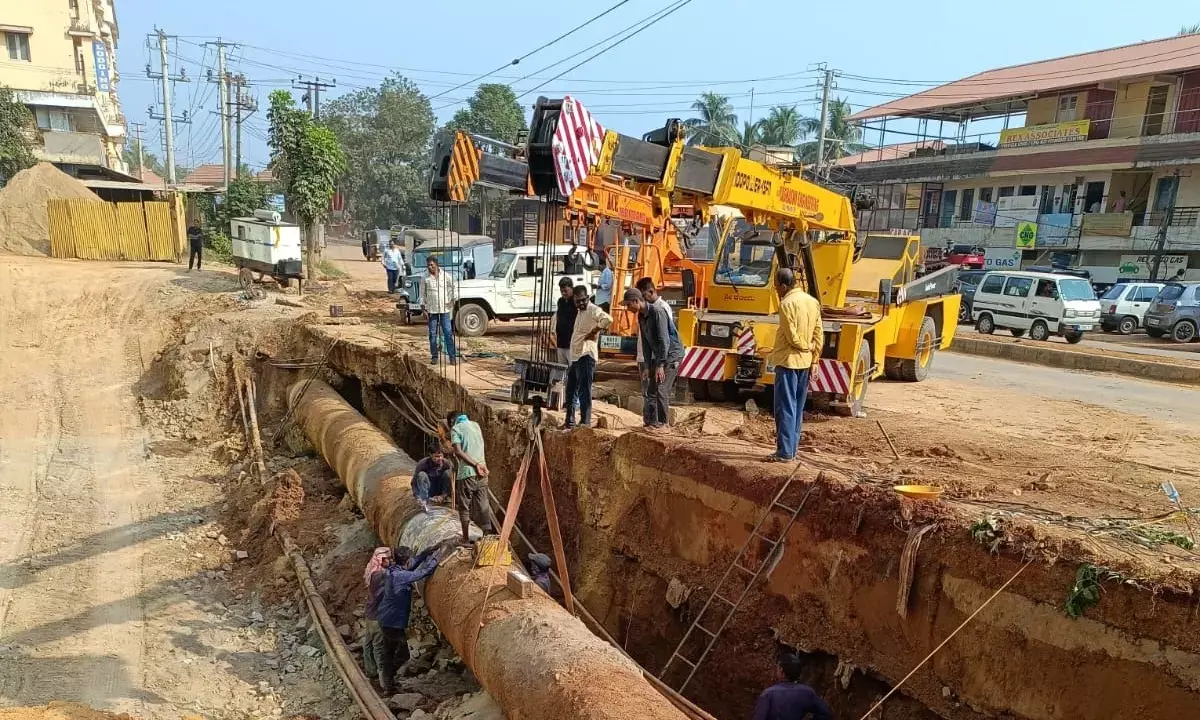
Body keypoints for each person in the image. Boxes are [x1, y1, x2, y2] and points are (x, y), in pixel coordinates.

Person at [768, 268, 823, 463]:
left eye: (776, 286)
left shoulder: (786, 304)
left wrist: (805, 346)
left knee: (785, 408)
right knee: (797, 408)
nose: (776, 290)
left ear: (783, 286)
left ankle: (784, 452)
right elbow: (819, 333)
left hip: (788, 362)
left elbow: (792, 337)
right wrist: (814, 358)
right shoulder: (812, 302)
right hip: (806, 363)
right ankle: (792, 450)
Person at [375, 545, 439, 694]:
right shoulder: (400, 576)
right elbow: (423, 572)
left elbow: (413, 563)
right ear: (406, 560)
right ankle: (387, 681)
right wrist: (437, 558)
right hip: (392, 622)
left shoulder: (396, 570)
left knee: (389, 651)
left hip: (388, 618)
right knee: (401, 653)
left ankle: (386, 679)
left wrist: (426, 552)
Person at [625, 281, 683, 431]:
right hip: (659, 355)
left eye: (628, 305)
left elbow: (665, 340)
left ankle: (664, 424)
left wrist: (661, 365)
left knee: (661, 388)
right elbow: (646, 343)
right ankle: (652, 423)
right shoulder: (641, 317)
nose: (627, 308)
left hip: (671, 354)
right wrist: (646, 367)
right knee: (651, 389)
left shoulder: (658, 312)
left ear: (636, 301)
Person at [565, 285, 612, 428]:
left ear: (587, 298)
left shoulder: (592, 309)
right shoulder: (580, 312)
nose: (580, 304)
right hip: (576, 356)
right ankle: (570, 421)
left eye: (582, 300)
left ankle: (585, 422)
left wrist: (595, 330)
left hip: (586, 355)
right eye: (577, 301)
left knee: (584, 391)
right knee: (571, 390)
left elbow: (608, 319)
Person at [447, 411, 491, 544]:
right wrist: (480, 464)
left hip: (467, 473)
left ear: (452, 422)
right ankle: (487, 537)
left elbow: (458, 451)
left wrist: (475, 464)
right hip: (483, 471)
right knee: (483, 504)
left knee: (464, 506)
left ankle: (465, 538)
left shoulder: (456, 428)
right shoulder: (476, 425)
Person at [751, 652, 832, 720]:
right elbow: (825, 713)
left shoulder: (769, 694)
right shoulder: (807, 692)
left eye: (777, 668)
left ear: (781, 671)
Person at [360, 547, 392, 686]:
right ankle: (384, 682)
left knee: (368, 643)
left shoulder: (372, 572)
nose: (390, 561)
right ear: (380, 560)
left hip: (369, 614)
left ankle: (370, 671)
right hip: (377, 618)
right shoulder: (382, 575)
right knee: (379, 648)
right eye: (387, 559)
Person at [423, 256, 457, 364]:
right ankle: (434, 357)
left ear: (437, 265)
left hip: (444, 310)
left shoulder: (446, 276)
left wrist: (453, 299)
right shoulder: (425, 278)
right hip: (432, 311)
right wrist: (423, 309)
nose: (430, 267)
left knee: (448, 333)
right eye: (428, 265)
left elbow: (454, 287)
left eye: (432, 265)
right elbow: (422, 294)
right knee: (432, 335)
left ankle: (452, 357)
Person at [411, 446, 453, 513]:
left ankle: (443, 498)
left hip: (440, 488)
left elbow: (453, 483)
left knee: (448, 473)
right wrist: (417, 497)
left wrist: (444, 495)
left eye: (441, 456)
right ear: (430, 455)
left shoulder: (446, 463)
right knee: (421, 475)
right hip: (429, 489)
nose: (440, 458)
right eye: (436, 456)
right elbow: (414, 482)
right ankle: (425, 500)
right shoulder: (422, 463)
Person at [549, 277, 578, 366]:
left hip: (571, 341)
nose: (563, 293)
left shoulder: (576, 302)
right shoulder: (560, 301)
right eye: (562, 291)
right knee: (562, 367)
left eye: (565, 290)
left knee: (572, 367)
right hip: (561, 341)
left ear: (571, 288)